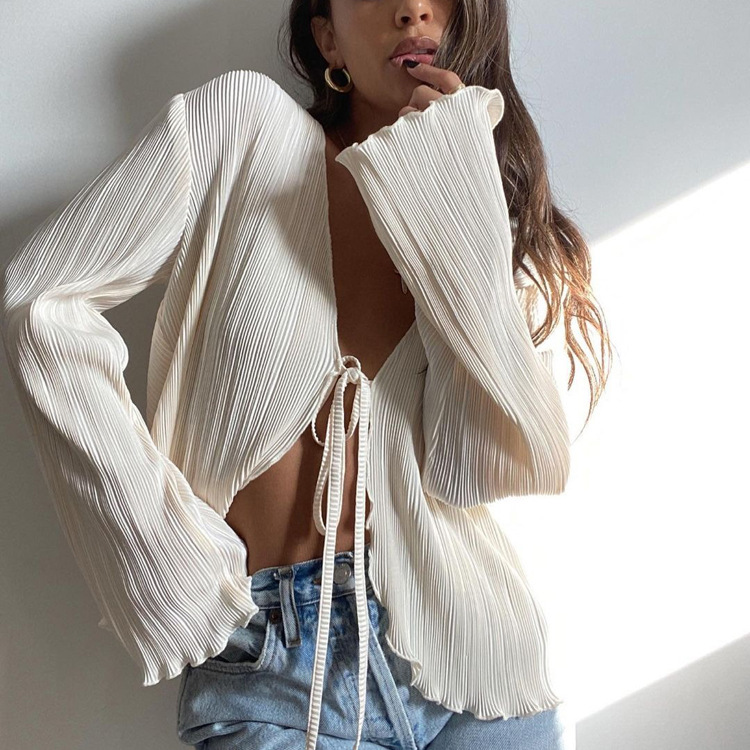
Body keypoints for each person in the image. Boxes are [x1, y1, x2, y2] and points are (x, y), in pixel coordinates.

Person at [1, 0, 612, 748]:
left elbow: (479, 468)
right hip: (274, 672)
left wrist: (460, 194)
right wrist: (164, 556)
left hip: (473, 667)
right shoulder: (242, 129)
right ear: (328, 39)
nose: (414, 9)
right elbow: (42, 303)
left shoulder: (473, 195)